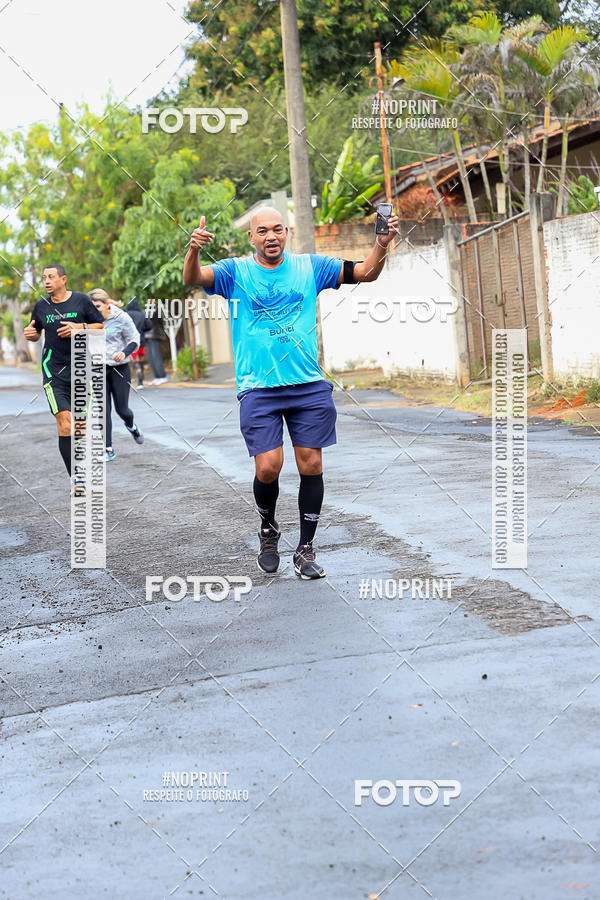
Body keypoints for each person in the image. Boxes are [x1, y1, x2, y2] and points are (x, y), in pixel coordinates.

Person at [183, 206, 398, 579]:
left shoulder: (311, 266)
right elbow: (193, 278)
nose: (271, 236)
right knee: (268, 467)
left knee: (310, 464)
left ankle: (306, 549)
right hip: (258, 387)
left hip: (307, 384)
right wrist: (194, 249)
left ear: (288, 232)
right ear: (251, 237)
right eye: (262, 231)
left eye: (277, 229)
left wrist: (381, 244)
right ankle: (268, 529)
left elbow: (365, 272)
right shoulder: (235, 272)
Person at [24, 264, 105, 492]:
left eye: (51, 277)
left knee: (79, 426)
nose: (46, 281)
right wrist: (31, 335)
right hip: (53, 371)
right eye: (44, 278)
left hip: (82, 368)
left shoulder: (81, 301)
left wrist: (80, 327)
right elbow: (35, 331)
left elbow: (100, 327)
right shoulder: (41, 306)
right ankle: (76, 478)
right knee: (64, 421)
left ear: (63, 279)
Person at [89, 289, 144, 461]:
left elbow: (135, 339)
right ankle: (108, 449)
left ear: (107, 304)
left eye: (97, 306)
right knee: (103, 410)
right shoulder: (87, 319)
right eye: (92, 307)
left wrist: (124, 352)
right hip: (98, 368)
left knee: (122, 410)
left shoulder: (121, 317)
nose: (94, 311)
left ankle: (131, 426)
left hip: (119, 368)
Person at [125, 297, 152, 388]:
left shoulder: (126, 314)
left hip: (131, 340)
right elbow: (149, 326)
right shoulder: (142, 315)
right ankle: (141, 381)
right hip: (141, 339)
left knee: (135, 359)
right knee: (139, 359)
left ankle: (139, 380)